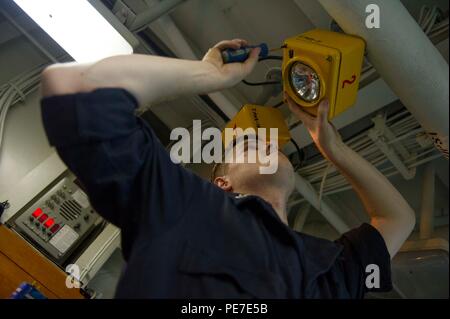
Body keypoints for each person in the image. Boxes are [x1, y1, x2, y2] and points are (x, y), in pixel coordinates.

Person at [40, 39, 415, 298]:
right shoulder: (185, 206)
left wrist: (336, 149)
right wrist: (208, 75)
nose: (266, 144)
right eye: (251, 144)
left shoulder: (326, 267)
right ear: (221, 183)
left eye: (266, 144)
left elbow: (398, 219)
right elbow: (75, 87)